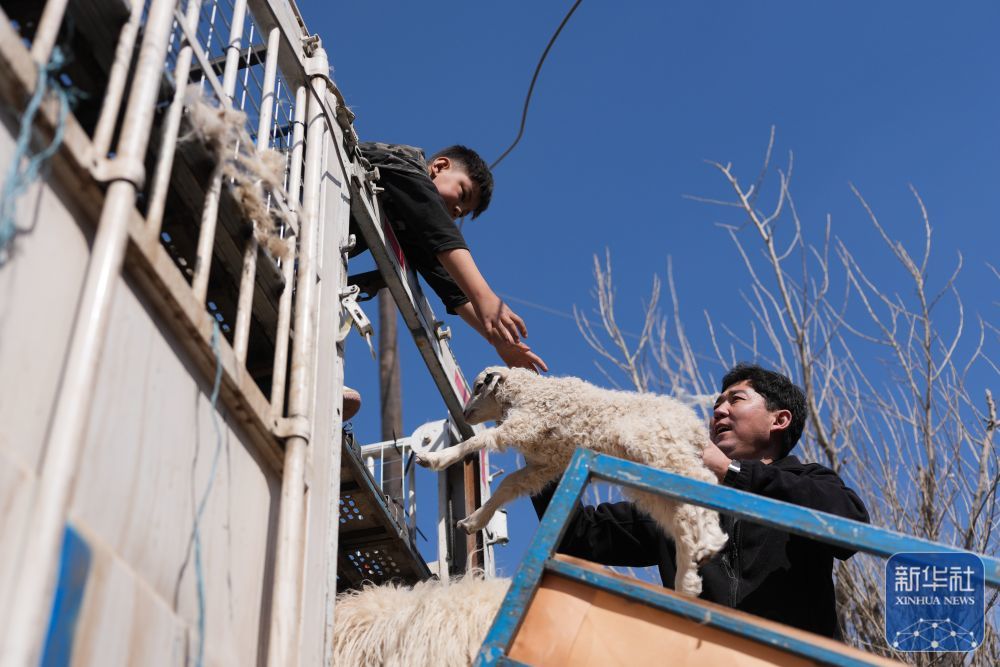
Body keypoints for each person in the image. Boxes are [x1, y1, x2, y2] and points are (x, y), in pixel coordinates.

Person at [530, 363, 869, 638]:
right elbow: (578, 535)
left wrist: (732, 472)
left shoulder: (809, 482)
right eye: (716, 405)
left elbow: (849, 526)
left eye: (736, 400)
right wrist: (540, 449)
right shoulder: (677, 497)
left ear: (779, 420)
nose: (719, 411)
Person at [350, 142, 546, 373]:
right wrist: (487, 298)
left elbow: (452, 288)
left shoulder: (406, 223)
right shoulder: (403, 163)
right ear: (440, 166)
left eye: (461, 213)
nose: (457, 212)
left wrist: (500, 340)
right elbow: (438, 229)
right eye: (462, 195)